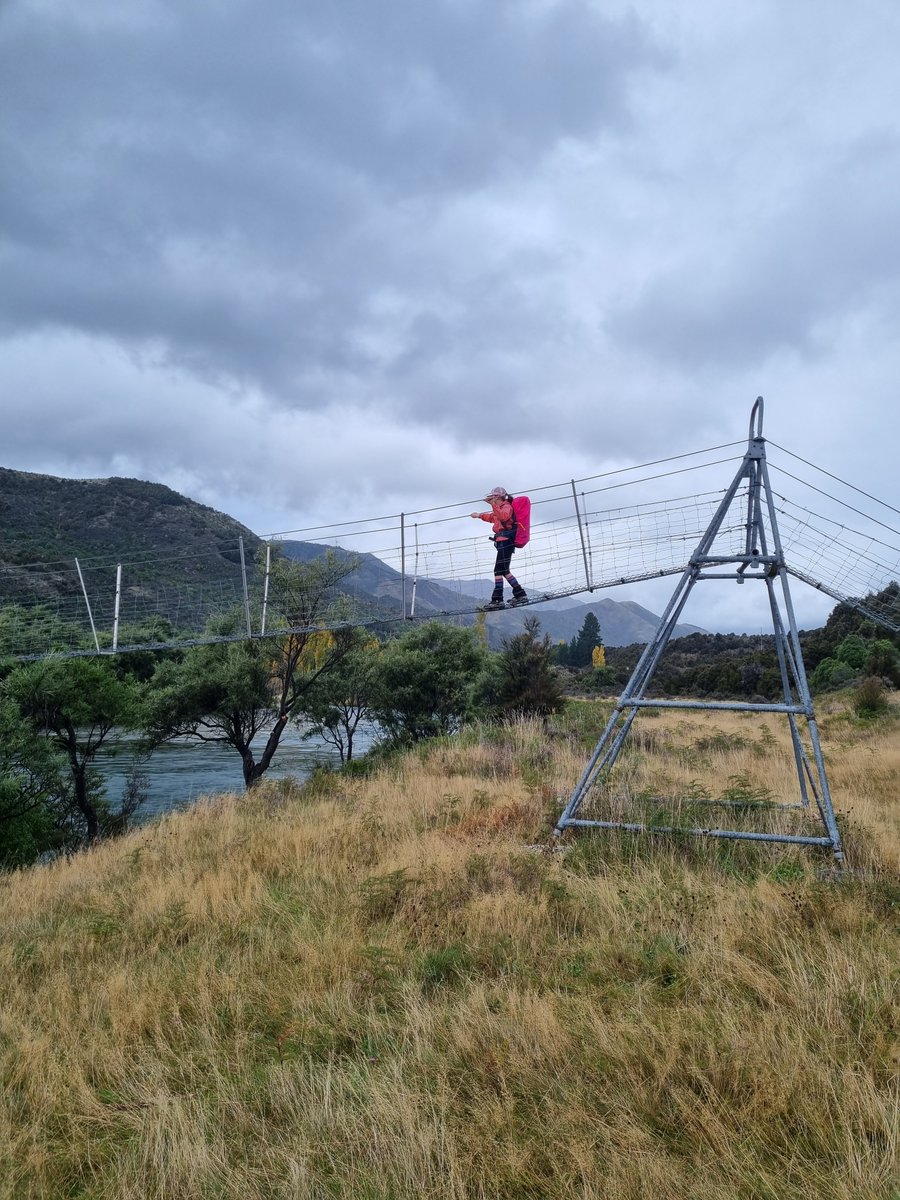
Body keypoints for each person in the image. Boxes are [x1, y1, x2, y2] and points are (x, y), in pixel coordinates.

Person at [471, 486, 528, 610]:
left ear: (498, 497)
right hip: (502, 542)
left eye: (493, 497)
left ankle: (498, 599)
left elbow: (503, 517)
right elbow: (493, 517)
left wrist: (492, 505)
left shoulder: (507, 507)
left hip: (506, 541)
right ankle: (520, 594)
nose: (492, 499)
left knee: (498, 570)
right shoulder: (500, 508)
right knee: (504, 570)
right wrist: (479, 515)